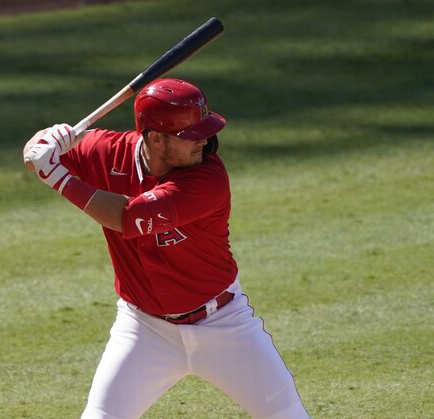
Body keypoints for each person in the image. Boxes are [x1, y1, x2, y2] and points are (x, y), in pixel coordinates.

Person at [23, 78, 311, 418]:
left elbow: (128, 217)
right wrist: (43, 143)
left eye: (204, 130)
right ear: (155, 138)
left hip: (223, 324)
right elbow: (37, 155)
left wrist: (58, 177)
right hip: (143, 329)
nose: (203, 141)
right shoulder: (106, 151)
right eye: (191, 135)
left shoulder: (208, 179)